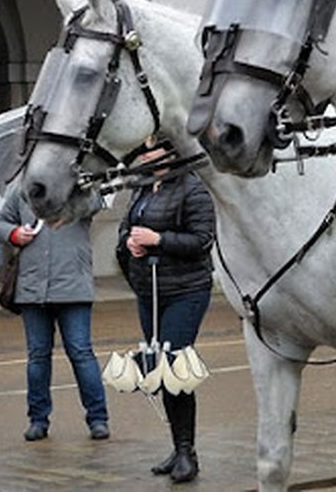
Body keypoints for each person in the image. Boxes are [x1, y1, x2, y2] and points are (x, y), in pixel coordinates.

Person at [116, 139, 216, 483]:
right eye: (144, 147)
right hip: (150, 291)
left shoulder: (192, 189)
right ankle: (178, 447)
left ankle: (187, 452)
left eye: (153, 147)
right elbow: (126, 233)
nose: (145, 152)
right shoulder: (142, 188)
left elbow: (203, 239)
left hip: (186, 291)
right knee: (160, 370)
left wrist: (159, 240)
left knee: (174, 366)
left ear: (171, 150)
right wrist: (130, 243)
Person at [0, 185, 110, 440]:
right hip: (32, 289)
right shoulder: (20, 191)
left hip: (73, 287)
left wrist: (68, 192)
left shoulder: (79, 190)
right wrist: (13, 233)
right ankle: (38, 420)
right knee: (37, 357)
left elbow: (95, 203)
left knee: (81, 352)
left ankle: (98, 418)